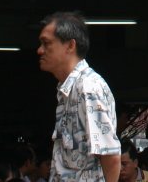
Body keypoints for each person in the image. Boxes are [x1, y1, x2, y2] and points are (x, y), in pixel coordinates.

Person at [38, 11, 122, 182]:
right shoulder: (68, 89)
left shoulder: (87, 89)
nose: (40, 50)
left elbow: (111, 157)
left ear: (70, 46)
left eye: (46, 44)